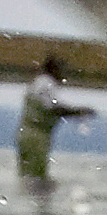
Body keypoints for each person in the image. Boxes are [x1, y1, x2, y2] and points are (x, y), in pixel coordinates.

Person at [14, 56, 96, 184]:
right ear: (53, 69)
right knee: (37, 178)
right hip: (36, 136)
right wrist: (79, 111)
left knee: (27, 175)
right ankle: (38, 201)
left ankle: (26, 201)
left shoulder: (38, 82)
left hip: (27, 133)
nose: (63, 74)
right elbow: (53, 108)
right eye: (61, 70)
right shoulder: (46, 82)